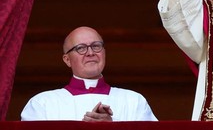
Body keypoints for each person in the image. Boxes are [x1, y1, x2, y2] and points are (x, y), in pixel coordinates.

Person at [21, 26, 158, 121]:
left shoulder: (134, 101)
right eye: (80, 48)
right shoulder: (42, 103)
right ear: (67, 60)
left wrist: (111, 128)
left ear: (104, 52)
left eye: (96, 46)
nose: (90, 53)